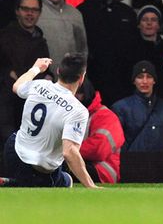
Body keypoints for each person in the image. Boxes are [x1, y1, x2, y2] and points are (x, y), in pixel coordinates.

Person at [1, 54, 99, 188]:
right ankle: (13, 184)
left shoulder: (40, 85)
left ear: (58, 71)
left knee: (28, 180)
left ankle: (14, 182)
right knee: (66, 181)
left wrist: (35, 68)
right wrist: (91, 186)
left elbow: (17, 86)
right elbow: (69, 152)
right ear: (81, 78)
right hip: (38, 167)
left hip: (13, 151)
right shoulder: (78, 110)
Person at [0, 0, 50, 162]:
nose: (30, 13)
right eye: (26, 9)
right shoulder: (4, 36)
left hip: (31, 104)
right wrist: (8, 73)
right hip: (6, 100)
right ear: (17, 11)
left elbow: (45, 69)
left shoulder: (40, 40)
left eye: (34, 10)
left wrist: (48, 77)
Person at [77, 0, 137, 106]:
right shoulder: (82, 12)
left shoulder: (128, 13)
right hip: (92, 83)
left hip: (122, 86)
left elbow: (134, 50)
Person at [111, 60, 163, 153]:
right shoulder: (121, 108)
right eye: (140, 77)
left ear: (154, 80)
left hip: (161, 163)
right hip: (132, 163)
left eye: (149, 77)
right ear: (134, 81)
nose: (145, 81)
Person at [74, 78, 124, 183]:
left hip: (102, 172)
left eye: (78, 93)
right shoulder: (71, 114)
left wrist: (67, 151)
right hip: (83, 164)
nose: (74, 96)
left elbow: (98, 150)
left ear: (86, 93)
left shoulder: (106, 116)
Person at [37, 0, 88, 80]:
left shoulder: (75, 14)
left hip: (70, 79)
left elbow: (82, 50)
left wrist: (82, 79)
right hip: (42, 79)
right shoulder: (35, 12)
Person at [134, 4, 163, 100]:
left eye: (153, 20)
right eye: (145, 20)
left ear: (159, 25)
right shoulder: (131, 48)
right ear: (139, 24)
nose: (149, 23)